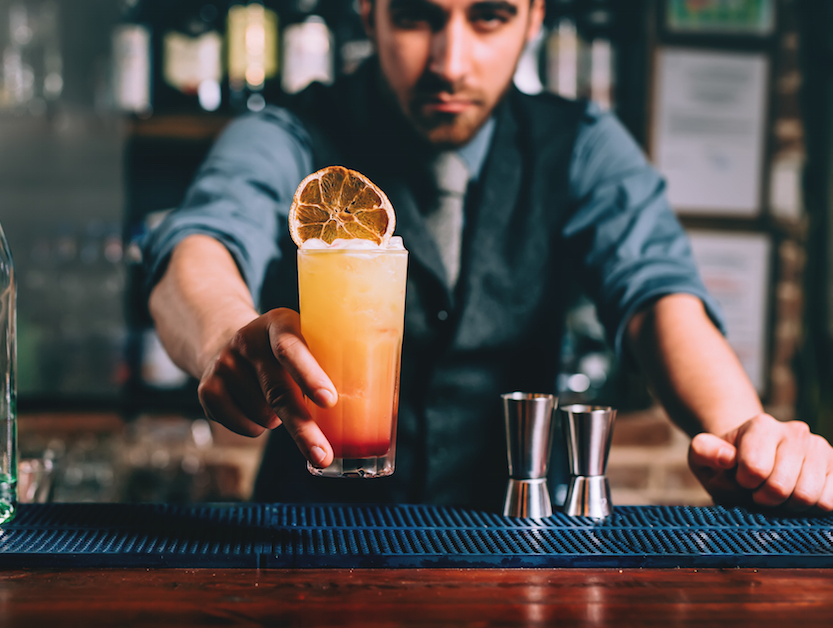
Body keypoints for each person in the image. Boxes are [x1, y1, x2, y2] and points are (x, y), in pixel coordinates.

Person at [142, 0, 833, 511]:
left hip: (522, 544)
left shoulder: (583, 145)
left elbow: (659, 298)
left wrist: (744, 433)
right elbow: (197, 246)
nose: (450, 62)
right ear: (368, 11)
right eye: (416, 16)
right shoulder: (289, 133)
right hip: (310, 543)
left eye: (490, 17)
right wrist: (224, 338)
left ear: (534, 18)